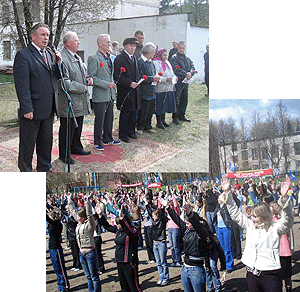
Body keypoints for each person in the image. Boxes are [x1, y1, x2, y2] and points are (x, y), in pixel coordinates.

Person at [219, 175, 294, 292]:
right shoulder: (250, 226)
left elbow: (288, 220)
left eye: (254, 216)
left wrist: (284, 198)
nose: (251, 219)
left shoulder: (275, 228)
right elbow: (235, 213)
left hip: (270, 275)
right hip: (251, 275)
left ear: (263, 216)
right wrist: (227, 192)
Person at [13, 23, 61, 172]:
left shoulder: (49, 54)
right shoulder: (24, 55)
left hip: (48, 108)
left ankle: (44, 167)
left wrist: (59, 63)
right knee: (27, 144)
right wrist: (26, 108)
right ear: (33, 36)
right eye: (42, 35)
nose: (46, 38)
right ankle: (26, 170)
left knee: (46, 142)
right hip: (32, 109)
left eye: (47, 35)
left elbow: (56, 77)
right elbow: (22, 85)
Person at [57, 31, 92, 164]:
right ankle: (64, 154)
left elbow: (82, 74)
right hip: (69, 101)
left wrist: (88, 79)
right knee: (68, 128)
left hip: (79, 101)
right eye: (76, 40)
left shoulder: (77, 57)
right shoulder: (62, 59)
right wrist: (81, 87)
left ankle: (76, 147)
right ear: (68, 43)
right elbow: (63, 82)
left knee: (78, 126)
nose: (78, 43)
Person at [160, 198, 209, 292]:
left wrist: (190, 214)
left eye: (188, 223)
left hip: (196, 270)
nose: (186, 225)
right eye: (185, 223)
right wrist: (167, 207)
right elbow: (177, 219)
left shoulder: (201, 233)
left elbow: (197, 226)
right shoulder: (186, 230)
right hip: (185, 268)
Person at [96, 203, 143, 292]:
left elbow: (129, 231)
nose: (117, 225)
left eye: (119, 223)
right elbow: (107, 227)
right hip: (120, 261)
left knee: (134, 286)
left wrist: (122, 219)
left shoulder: (133, 231)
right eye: (117, 223)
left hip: (129, 262)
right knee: (124, 287)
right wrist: (101, 215)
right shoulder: (118, 230)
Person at [88, 34, 120, 151]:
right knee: (100, 119)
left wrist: (113, 83)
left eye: (109, 42)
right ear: (100, 43)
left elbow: (110, 74)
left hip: (110, 94)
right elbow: (92, 77)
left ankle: (108, 138)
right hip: (100, 94)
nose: (109, 44)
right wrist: (106, 84)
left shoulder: (110, 57)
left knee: (109, 117)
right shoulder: (93, 58)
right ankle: (98, 141)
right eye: (107, 42)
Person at [68, 192, 101, 292]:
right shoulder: (78, 223)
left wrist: (87, 202)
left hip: (90, 252)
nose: (77, 218)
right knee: (88, 276)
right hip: (82, 253)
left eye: (79, 217)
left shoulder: (90, 224)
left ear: (83, 217)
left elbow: (90, 215)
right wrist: (69, 199)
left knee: (94, 276)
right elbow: (73, 211)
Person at [113, 37, 141, 143]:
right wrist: (129, 83)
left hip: (135, 90)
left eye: (134, 46)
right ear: (125, 46)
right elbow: (117, 76)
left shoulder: (135, 57)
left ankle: (131, 131)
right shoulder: (120, 58)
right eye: (131, 46)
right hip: (125, 90)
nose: (133, 48)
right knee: (125, 113)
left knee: (133, 111)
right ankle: (123, 134)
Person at [136, 42, 160, 135]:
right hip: (144, 90)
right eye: (153, 52)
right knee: (143, 109)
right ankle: (140, 127)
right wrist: (152, 78)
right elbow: (141, 76)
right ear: (149, 52)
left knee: (150, 109)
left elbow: (154, 74)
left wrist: (157, 78)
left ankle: (148, 126)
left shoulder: (151, 62)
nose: (154, 54)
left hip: (152, 90)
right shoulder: (140, 62)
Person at [170, 41, 196, 124]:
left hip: (186, 81)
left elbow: (192, 67)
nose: (181, 49)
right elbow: (175, 69)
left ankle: (182, 115)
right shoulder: (174, 58)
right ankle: (175, 117)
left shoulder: (187, 58)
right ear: (177, 48)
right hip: (178, 81)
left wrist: (190, 73)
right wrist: (185, 74)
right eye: (180, 48)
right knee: (177, 99)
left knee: (184, 99)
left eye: (183, 48)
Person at [146, 198, 169, 285]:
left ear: (158, 216)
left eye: (154, 215)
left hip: (161, 243)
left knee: (163, 261)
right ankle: (161, 277)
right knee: (158, 262)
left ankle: (166, 278)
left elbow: (162, 215)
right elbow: (149, 212)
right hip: (155, 243)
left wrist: (162, 206)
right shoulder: (153, 221)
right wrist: (146, 203)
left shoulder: (162, 221)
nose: (152, 217)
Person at [46, 207, 70, 292]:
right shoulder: (52, 223)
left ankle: (65, 287)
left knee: (60, 268)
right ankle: (60, 287)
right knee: (56, 269)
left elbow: (47, 218)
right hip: (52, 248)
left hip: (56, 248)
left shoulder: (57, 223)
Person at [153, 48, 177, 129]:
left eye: (166, 55)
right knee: (160, 104)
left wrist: (174, 77)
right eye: (164, 55)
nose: (165, 57)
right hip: (160, 87)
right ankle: (159, 121)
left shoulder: (167, 62)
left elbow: (172, 72)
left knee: (165, 104)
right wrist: (165, 79)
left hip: (168, 87)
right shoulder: (156, 63)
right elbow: (156, 75)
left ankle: (163, 120)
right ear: (160, 55)